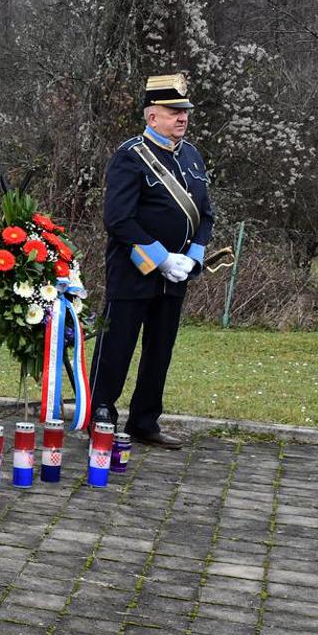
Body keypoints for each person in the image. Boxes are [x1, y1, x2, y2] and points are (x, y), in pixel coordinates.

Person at [89, 73, 215, 449]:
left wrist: (192, 256)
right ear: (151, 116)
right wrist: (160, 258)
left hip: (176, 276)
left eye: (185, 111)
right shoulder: (130, 156)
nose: (182, 117)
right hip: (133, 272)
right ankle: (101, 418)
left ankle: (144, 421)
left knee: (160, 350)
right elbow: (119, 219)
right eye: (173, 111)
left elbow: (205, 214)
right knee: (116, 349)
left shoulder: (191, 156)